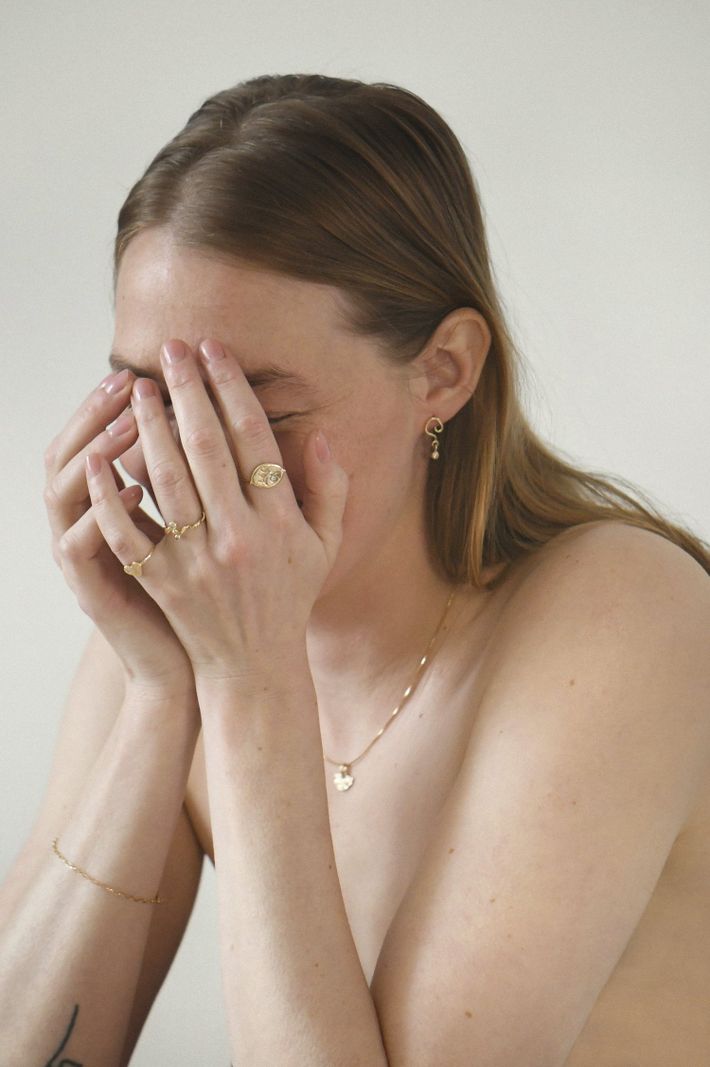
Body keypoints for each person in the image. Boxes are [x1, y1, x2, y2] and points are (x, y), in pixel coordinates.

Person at [1, 73, 708, 1067]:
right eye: (148, 397)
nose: (184, 465)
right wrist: (163, 692)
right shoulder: (172, 635)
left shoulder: (623, 610)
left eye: (255, 408)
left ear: (444, 372)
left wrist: (248, 686)